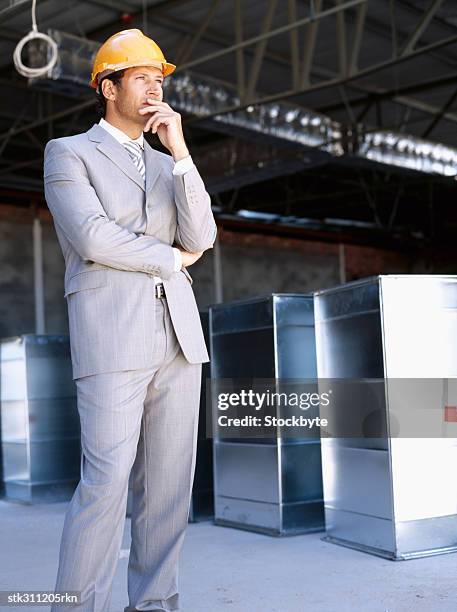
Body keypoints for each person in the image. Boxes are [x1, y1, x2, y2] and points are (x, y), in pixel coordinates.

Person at [43, 29, 217, 612]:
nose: (153, 89)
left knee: (167, 494)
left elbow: (203, 237)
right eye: (141, 78)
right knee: (105, 486)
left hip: (178, 341)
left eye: (159, 80)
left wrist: (183, 153)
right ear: (108, 87)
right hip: (112, 338)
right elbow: (92, 237)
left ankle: (154, 605)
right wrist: (171, 259)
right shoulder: (68, 153)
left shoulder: (169, 166)